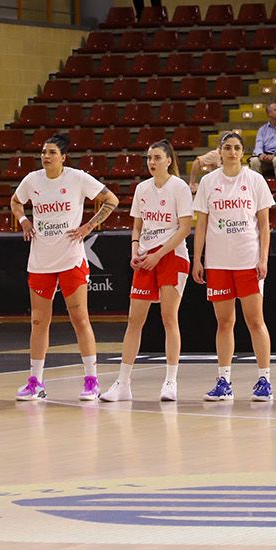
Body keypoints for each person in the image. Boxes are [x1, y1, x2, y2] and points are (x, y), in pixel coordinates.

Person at [9, 133, 118, 402]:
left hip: (71, 258)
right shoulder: (32, 180)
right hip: (40, 260)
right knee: (38, 321)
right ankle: (35, 381)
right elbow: (15, 201)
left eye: (52, 153)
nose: (46, 156)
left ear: (63, 157)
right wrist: (23, 219)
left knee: (80, 318)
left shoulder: (77, 178)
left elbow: (111, 200)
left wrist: (88, 226)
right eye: (44, 152)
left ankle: (91, 380)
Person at [102, 141, 194, 404]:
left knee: (168, 317)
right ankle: (122, 383)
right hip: (145, 257)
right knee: (134, 320)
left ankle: (171, 381)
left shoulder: (179, 187)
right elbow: (137, 226)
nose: (151, 162)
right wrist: (135, 249)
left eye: (156, 157)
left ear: (168, 160)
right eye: (148, 158)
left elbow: (184, 228)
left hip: (171, 256)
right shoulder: (142, 188)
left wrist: (158, 254)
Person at [192, 131, 276, 401]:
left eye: (236, 148)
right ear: (219, 152)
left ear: (243, 153)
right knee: (224, 322)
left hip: (247, 260)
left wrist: (263, 258)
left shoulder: (255, 180)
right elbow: (202, 224)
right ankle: (224, 381)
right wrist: (198, 259)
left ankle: (264, 379)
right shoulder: (208, 182)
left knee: (255, 320)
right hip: (218, 263)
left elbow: (265, 225)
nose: (231, 152)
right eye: (227, 147)